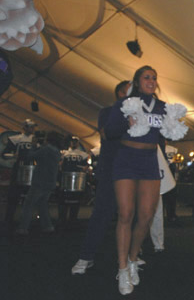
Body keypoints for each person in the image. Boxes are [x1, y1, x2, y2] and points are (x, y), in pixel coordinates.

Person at [105, 66, 166, 295]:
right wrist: (125, 121)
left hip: (150, 161)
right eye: (146, 77)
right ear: (137, 82)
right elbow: (110, 130)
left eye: (154, 77)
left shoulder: (161, 106)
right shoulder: (125, 103)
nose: (151, 80)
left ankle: (132, 260)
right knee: (126, 213)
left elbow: (165, 133)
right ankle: (121, 269)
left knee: (146, 215)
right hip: (126, 159)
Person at [71, 81, 130, 275]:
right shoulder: (108, 112)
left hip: (132, 170)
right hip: (111, 170)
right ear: (121, 93)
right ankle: (86, 256)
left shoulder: (141, 112)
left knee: (132, 215)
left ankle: (131, 257)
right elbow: (107, 135)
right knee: (102, 214)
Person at [16, 131, 61, 234]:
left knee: (28, 204)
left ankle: (23, 228)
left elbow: (31, 156)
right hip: (50, 182)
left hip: (40, 181)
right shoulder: (57, 151)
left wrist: (33, 146)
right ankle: (48, 226)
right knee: (42, 204)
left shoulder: (45, 150)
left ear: (47, 139)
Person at [2, 119, 37, 227]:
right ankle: (9, 220)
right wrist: (13, 155)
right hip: (19, 168)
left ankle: (28, 220)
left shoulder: (36, 140)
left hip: (32, 169)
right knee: (13, 195)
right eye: (30, 127)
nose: (32, 129)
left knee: (30, 196)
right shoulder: (16, 139)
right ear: (24, 127)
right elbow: (4, 154)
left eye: (33, 127)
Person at [58, 136, 90, 227]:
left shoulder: (83, 154)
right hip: (66, 180)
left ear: (78, 143)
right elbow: (60, 165)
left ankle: (73, 220)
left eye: (75, 142)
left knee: (75, 201)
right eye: (72, 142)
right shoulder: (64, 153)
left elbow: (86, 166)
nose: (74, 143)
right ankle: (62, 219)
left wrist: (85, 168)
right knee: (64, 201)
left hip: (77, 181)